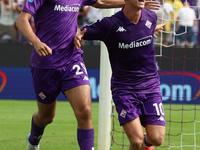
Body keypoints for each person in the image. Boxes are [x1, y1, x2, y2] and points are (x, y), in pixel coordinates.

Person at [15, 0, 161, 150]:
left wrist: (132, 3)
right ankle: (33, 140)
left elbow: (100, 2)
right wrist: (36, 42)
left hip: (72, 60)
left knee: (85, 111)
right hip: (45, 63)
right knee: (46, 117)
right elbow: (21, 20)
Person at [74, 0, 166, 150]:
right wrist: (77, 35)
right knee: (136, 142)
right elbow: (82, 32)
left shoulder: (151, 17)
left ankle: (145, 141)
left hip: (151, 87)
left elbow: (142, 30)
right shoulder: (110, 25)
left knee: (156, 139)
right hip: (124, 89)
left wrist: (152, 29)